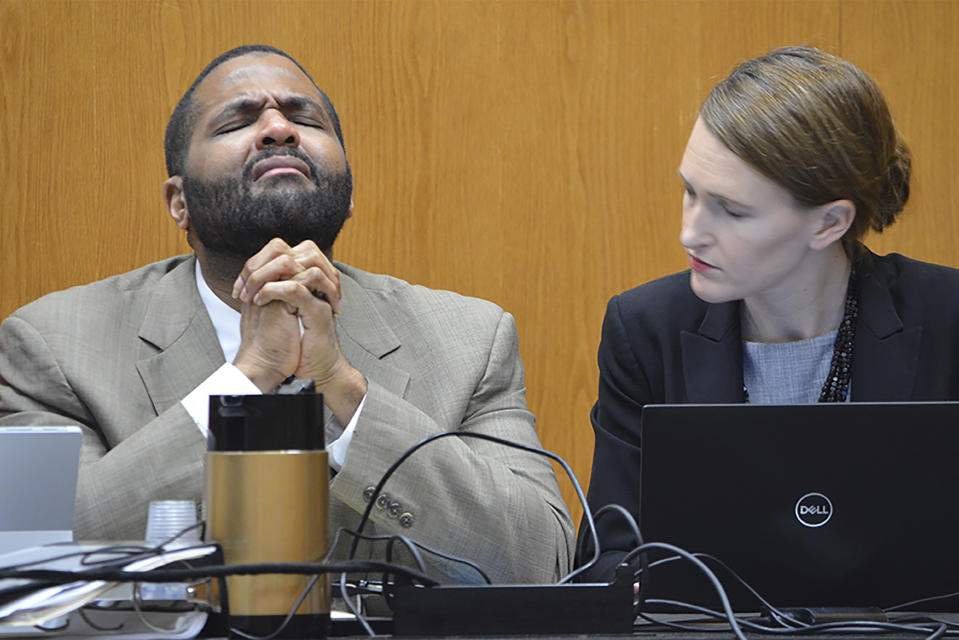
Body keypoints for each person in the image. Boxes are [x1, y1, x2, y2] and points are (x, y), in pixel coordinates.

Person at [0, 44, 574, 584]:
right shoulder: (55, 345)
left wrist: (344, 393)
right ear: (181, 203)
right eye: (236, 122)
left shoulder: (468, 340)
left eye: (306, 118)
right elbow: (32, 564)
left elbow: (540, 562)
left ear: (347, 192)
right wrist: (245, 381)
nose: (279, 128)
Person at [577, 45, 959, 581]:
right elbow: (605, 561)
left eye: (731, 210)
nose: (690, 232)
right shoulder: (644, 330)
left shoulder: (948, 318)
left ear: (829, 223)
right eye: (690, 192)